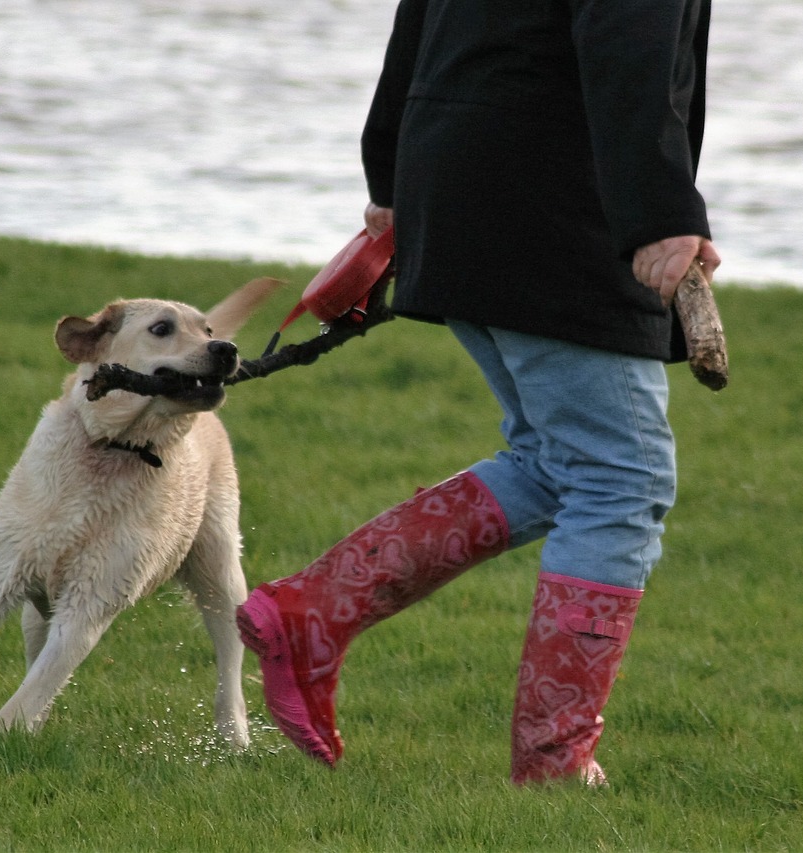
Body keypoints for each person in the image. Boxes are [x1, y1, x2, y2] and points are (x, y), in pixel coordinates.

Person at [237, 0, 721, 786]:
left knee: (553, 459)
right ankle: (553, 761)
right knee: (619, 475)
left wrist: (391, 173)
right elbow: (626, 35)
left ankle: (311, 611)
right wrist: (659, 213)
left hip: (456, 178)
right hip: (551, 194)